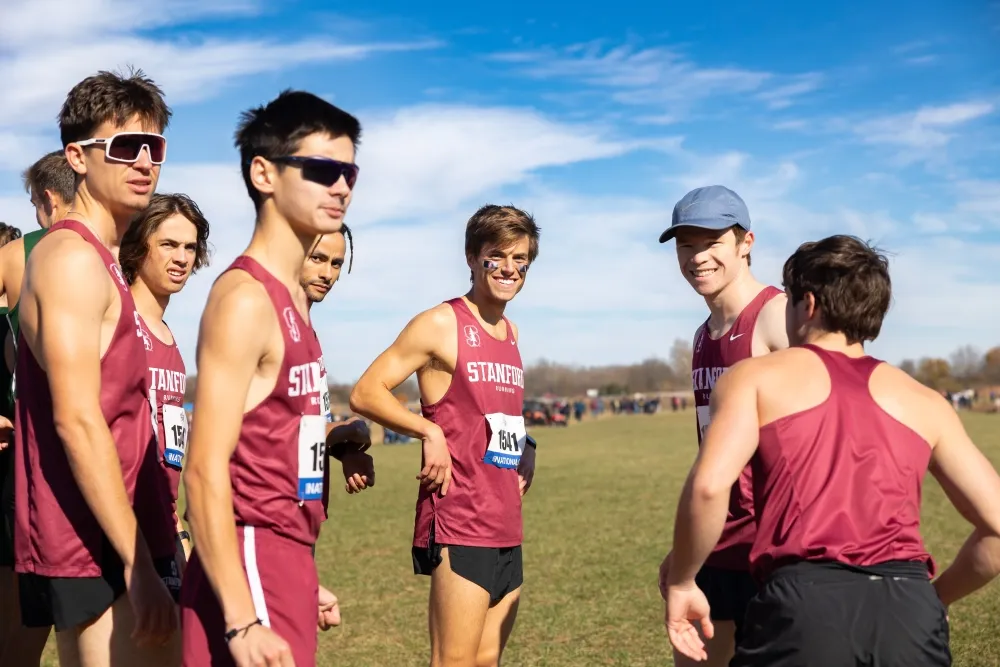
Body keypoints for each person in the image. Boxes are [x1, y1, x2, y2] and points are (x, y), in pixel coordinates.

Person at [664, 235, 1000, 666]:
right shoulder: (926, 400)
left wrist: (683, 581)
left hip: (805, 607)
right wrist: (935, 598)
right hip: (911, 612)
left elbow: (709, 488)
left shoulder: (754, 378)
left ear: (806, 303)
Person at [180, 90, 374, 667]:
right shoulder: (245, 298)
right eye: (321, 169)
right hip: (251, 555)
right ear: (263, 173)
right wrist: (243, 619)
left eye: (350, 173)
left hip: (281, 554)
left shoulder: (292, 298)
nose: (340, 186)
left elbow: (274, 444)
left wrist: (298, 574)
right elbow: (204, 468)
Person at [13, 68, 179, 667]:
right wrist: (136, 561)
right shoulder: (71, 259)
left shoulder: (104, 259)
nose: (143, 162)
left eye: (153, 147)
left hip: (127, 525)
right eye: (124, 146)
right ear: (77, 158)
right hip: (95, 543)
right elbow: (78, 421)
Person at [350, 204, 540, 667]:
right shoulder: (440, 323)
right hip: (461, 520)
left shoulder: (510, 331)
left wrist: (528, 445)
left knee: (486, 659)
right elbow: (366, 391)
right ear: (472, 258)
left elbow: (492, 414)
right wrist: (426, 428)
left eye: (522, 260)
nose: (510, 269)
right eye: (497, 256)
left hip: (506, 522)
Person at [655, 185, 788, 666]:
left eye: (711, 241)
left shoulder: (777, 317)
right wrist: (685, 549)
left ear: (746, 242)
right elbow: (710, 452)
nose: (697, 257)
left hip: (776, 548)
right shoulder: (701, 335)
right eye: (686, 245)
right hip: (716, 542)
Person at [0, 150, 76, 666]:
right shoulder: (117, 254)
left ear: (47, 198)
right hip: (67, 445)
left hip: (30, 447)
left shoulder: (14, 256)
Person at [119, 193, 212, 610]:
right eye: (169, 244)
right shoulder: (118, 322)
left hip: (163, 529)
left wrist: (178, 532)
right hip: (119, 533)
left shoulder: (171, 339)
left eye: (190, 247)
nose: (182, 258)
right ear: (139, 246)